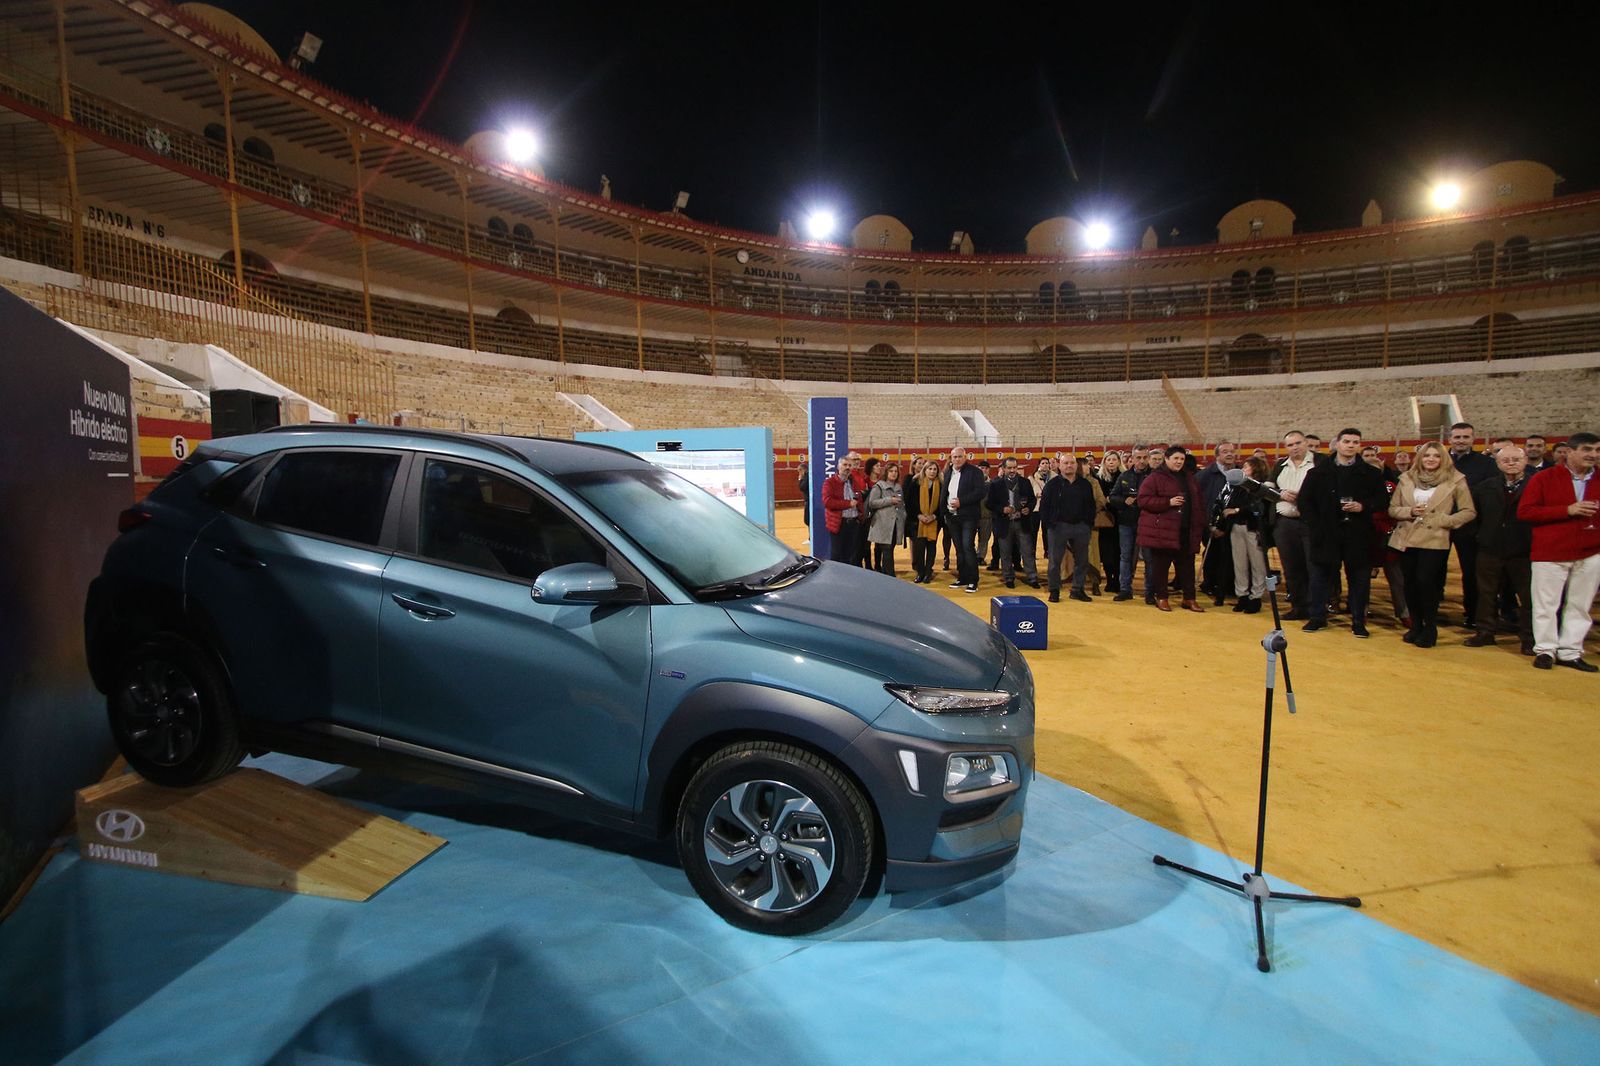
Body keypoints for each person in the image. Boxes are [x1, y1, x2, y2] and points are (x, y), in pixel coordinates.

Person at [1518, 432, 1600, 671]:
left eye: (1596, 450)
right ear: (1569, 452)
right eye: (1587, 449)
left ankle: (1571, 651)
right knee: (1546, 604)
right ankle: (1545, 649)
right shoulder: (1545, 478)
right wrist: (1567, 510)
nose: (1593, 455)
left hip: (1591, 550)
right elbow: (1526, 512)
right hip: (1550, 550)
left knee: (1580, 604)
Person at [1298, 429, 1390, 637]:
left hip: (1358, 535)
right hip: (1326, 533)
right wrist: (1315, 525)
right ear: (1337, 444)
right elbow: (1305, 501)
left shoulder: (1372, 474)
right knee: (1320, 577)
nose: (1351, 445)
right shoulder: (1317, 472)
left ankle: (1358, 621)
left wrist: (1363, 506)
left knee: (1359, 579)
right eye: (1346, 441)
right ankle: (1317, 617)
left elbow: (1383, 501)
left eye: (1355, 442)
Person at [1388, 442, 1476, 648]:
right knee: (1409, 584)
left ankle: (1430, 628)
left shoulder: (1456, 479)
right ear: (1420, 457)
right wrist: (1409, 512)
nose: (1431, 459)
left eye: (1436, 456)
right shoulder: (1407, 478)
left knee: (1426, 584)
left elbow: (1468, 511)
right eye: (1427, 455)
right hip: (1406, 537)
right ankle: (1416, 625)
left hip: (1435, 538)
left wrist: (1445, 520)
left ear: (1443, 459)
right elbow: (1393, 508)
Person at [1465, 445, 1534, 654]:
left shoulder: (1536, 484)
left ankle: (1530, 638)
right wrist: (1479, 537)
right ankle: (1485, 632)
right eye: (1506, 460)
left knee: (1529, 597)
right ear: (1497, 463)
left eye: (1516, 459)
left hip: (1524, 550)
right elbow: (1473, 516)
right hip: (1490, 548)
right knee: (1486, 593)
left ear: (1525, 461)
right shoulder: (1485, 487)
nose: (1511, 463)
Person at [1138, 446, 1208, 611]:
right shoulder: (1155, 477)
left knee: (1187, 567)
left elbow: (1198, 503)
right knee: (1161, 567)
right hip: (1162, 531)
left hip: (1185, 531)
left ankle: (1189, 598)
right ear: (1167, 459)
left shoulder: (1190, 478)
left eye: (1182, 459)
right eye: (1176, 458)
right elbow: (1143, 500)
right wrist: (1167, 503)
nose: (1179, 462)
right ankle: (1162, 597)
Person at [1446, 421, 1497, 626]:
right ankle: (1432, 609)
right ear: (1450, 439)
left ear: (1472, 439)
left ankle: (1472, 613)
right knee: (1434, 569)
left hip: (1470, 525)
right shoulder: (1439, 461)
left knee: (1471, 571)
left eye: (1465, 437)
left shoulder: (1485, 464)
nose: (1461, 441)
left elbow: (1490, 496)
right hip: (1439, 524)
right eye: (1457, 437)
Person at [1268, 430, 1318, 618]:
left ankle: (1316, 609)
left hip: (1310, 523)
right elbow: (1267, 489)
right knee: (1291, 567)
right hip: (1285, 523)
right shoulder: (1280, 465)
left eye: (1298, 443)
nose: (1295, 447)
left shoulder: (1319, 462)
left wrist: (1304, 497)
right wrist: (1280, 494)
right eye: (1290, 445)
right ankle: (1299, 607)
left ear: (1306, 443)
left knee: (1313, 566)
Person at [1216, 455, 1271, 612]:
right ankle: (1242, 595)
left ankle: (1256, 596)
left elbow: (1260, 507)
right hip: (1236, 527)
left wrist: (1238, 510)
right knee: (1239, 563)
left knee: (1258, 564)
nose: (1243, 469)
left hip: (1253, 529)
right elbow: (1228, 504)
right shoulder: (1237, 486)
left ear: (1256, 469)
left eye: (1246, 466)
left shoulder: (1262, 487)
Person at [1040, 454, 1097, 603]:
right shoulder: (1052, 485)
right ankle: (1054, 590)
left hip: (1081, 527)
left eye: (1072, 463)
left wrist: (1087, 524)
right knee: (1054, 562)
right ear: (1060, 466)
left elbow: (1091, 506)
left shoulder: (1085, 485)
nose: (1069, 465)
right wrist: (1050, 524)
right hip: (1058, 527)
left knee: (1082, 561)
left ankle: (1077, 590)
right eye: (1066, 463)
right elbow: (1044, 507)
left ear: (1076, 465)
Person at [986, 457, 1040, 590]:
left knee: (1027, 551)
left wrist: (1029, 508)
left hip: (1022, 522)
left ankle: (1032, 577)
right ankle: (1008, 577)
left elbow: (1032, 500)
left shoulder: (1025, 482)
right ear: (1003, 469)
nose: (1012, 470)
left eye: (1014, 468)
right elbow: (989, 503)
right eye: (1009, 468)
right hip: (1004, 523)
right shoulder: (995, 484)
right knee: (1005, 552)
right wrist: (1001, 509)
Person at [1196, 442, 1237, 606]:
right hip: (1211, 525)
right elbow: (1201, 503)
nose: (1229, 454)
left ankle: (1228, 586)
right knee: (1213, 556)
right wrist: (1210, 525)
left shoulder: (1239, 474)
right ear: (1217, 455)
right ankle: (1210, 584)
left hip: (1233, 525)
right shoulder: (1204, 476)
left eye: (1232, 451)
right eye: (1225, 451)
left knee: (1231, 558)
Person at [944, 446, 986, 593]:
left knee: (968, 546)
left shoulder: (975, 472)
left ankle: (973, 580)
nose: (957, 459)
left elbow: (980, 492)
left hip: (968, 516)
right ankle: (963, 578)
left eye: (960, 456)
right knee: (959, 548)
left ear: (966, 457)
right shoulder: (948, 472)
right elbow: (945, 492)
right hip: (952, 517)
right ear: (951, 458)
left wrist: (962, 501)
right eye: (954, 457)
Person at [1108, 448, 1148, 602]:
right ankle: (1125, 589)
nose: (1142, 461)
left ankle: (1150, 590)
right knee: (1125, 557)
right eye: (1138, 457)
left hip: (1147, 523)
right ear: (1133, 458)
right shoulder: (1125, 476)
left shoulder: (1154, 476)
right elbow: (1113, 497)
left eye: (1145, 457)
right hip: (1126, 523)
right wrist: (1123, 501)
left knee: (1149, 558)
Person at [821, 452, 868, 565]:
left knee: (850, 555)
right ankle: (835, 580)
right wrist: (848, 504)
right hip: (839, 524)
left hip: (853, 524)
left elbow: (859, 499)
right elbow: (827, 502)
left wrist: (861, 514)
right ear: (838, 467)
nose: (847, 467)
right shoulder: (829, 483)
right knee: (837, 555)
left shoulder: (854, 482)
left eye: (849, 465)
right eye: (844, 465)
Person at [866, 462, 907, 576]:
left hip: (895, 524)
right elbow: (872, 503)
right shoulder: (879, 486)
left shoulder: (898, 487)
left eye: (896, 471)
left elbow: (902, 505)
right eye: (891, 471)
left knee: (889, 549)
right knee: (887, 550)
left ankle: (884, 573)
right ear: (886, 472)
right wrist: (889, 500)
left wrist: (903, 516)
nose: (894, 474)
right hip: (882, 524)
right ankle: (890, 575)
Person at [905, 458, 943, 583]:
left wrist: (934, 516)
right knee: (919, 548)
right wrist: (919, 515)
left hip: (934, 521)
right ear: (924, 470)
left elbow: (942, 505)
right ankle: (920, 572)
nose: (932, 472)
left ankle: (928, 572)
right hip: (917, 522)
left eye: (934, 469)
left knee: (931, 547)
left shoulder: (941, 485)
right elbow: (909, 502)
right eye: (929, 469)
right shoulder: (915, 483)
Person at [1094, 452, 1124, 592]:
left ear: (1119, 461)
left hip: (1121, 520)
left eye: (1114, 459)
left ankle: (1118, 580)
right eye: (1108, 460)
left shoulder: (1124, 477)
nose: (1111, 462)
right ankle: (1109, 579)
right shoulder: (1099, 479)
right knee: (1106, 552)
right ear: (1104, 462)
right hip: (1105, 520)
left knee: (1119, 552)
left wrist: (1113, 500)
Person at [857, 458, 881, 567]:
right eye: (877, 466)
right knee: (866, 543)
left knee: (879, 542)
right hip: (867, 516)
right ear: (871, 468)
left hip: (879, 515)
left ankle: (878, 565)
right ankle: (868, 565)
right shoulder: (864, 481)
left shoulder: (882, 482)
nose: (879, 468)